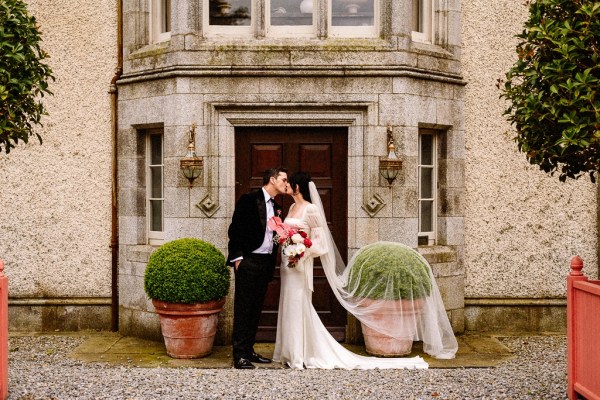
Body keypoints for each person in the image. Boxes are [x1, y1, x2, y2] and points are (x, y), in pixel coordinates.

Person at [273, 172, 457, 369]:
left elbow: (321, 243)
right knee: (288, 305)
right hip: (288, 268)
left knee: (298, 305)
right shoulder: (292, 207)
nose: (286, 186)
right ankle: (290, 352)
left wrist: (302, 251)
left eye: (289, 183)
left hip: (300, 266)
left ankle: (300, 355)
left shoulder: (311, 210)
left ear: (297, 187)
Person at [227, 167, 288, 369]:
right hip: (248, 261)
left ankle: (249, 350)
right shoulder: (249, 199)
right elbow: (235, 229)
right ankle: (239, 356)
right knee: (243, 308)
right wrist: (237, 258)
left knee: (255, 309)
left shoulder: (278, 207)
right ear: (272, 179)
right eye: (283, 180)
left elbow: (273, 235)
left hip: (265, 263)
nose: (286, 184)